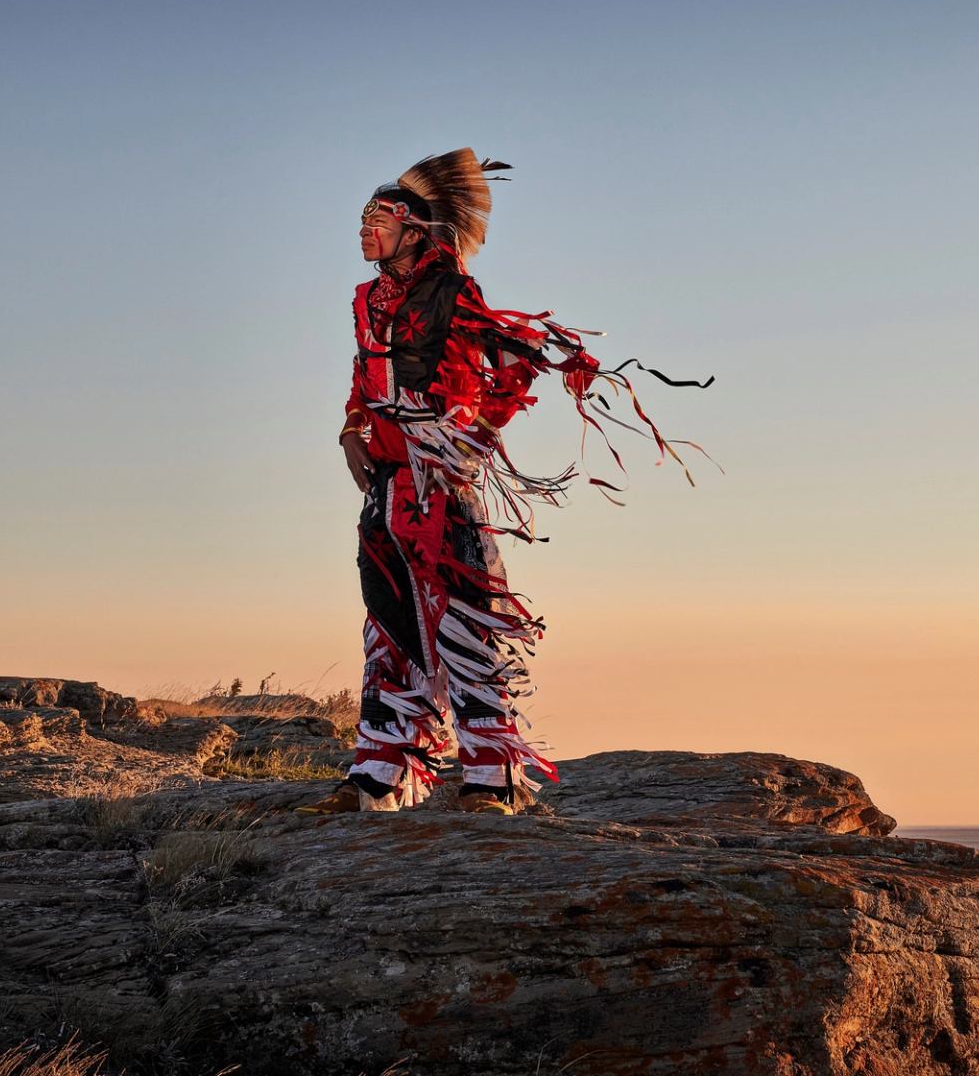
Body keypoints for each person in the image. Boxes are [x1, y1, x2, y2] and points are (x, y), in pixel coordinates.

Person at [298, 149, 712, 815]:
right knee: (388, 624)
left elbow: (514, 362)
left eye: (379, 217)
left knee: (465, 622)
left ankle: (492, 779)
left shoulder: (453, 292)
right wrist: (352, 432)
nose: (364, 229)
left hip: (440, 489)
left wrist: (470, 437)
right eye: (363, 218)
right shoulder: (366, 299)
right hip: (387, 484)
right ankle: (379, 773)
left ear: (414, 229)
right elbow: (362, 375)